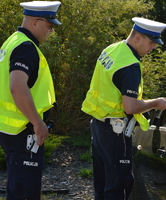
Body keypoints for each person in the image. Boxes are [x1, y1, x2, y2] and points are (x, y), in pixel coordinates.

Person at [82, 17, 166, 200]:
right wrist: (155, 102)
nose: (154, 47)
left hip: (99, 126)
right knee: (118, 186)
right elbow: (130, 106)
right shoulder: (130, 65)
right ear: (138, 37)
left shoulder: (113, 49)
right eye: (151, 42)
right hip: (116, 133)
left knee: (103, 184)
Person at [0, 1, 62, 199]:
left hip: (11, 129)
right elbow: (17, 86)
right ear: (36, 22)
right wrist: (37, 122)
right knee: (25, 193)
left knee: (17, 189)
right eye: (50, 26)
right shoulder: (26, 47)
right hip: (24, 132)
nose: (51, 31)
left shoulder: (12, 41)